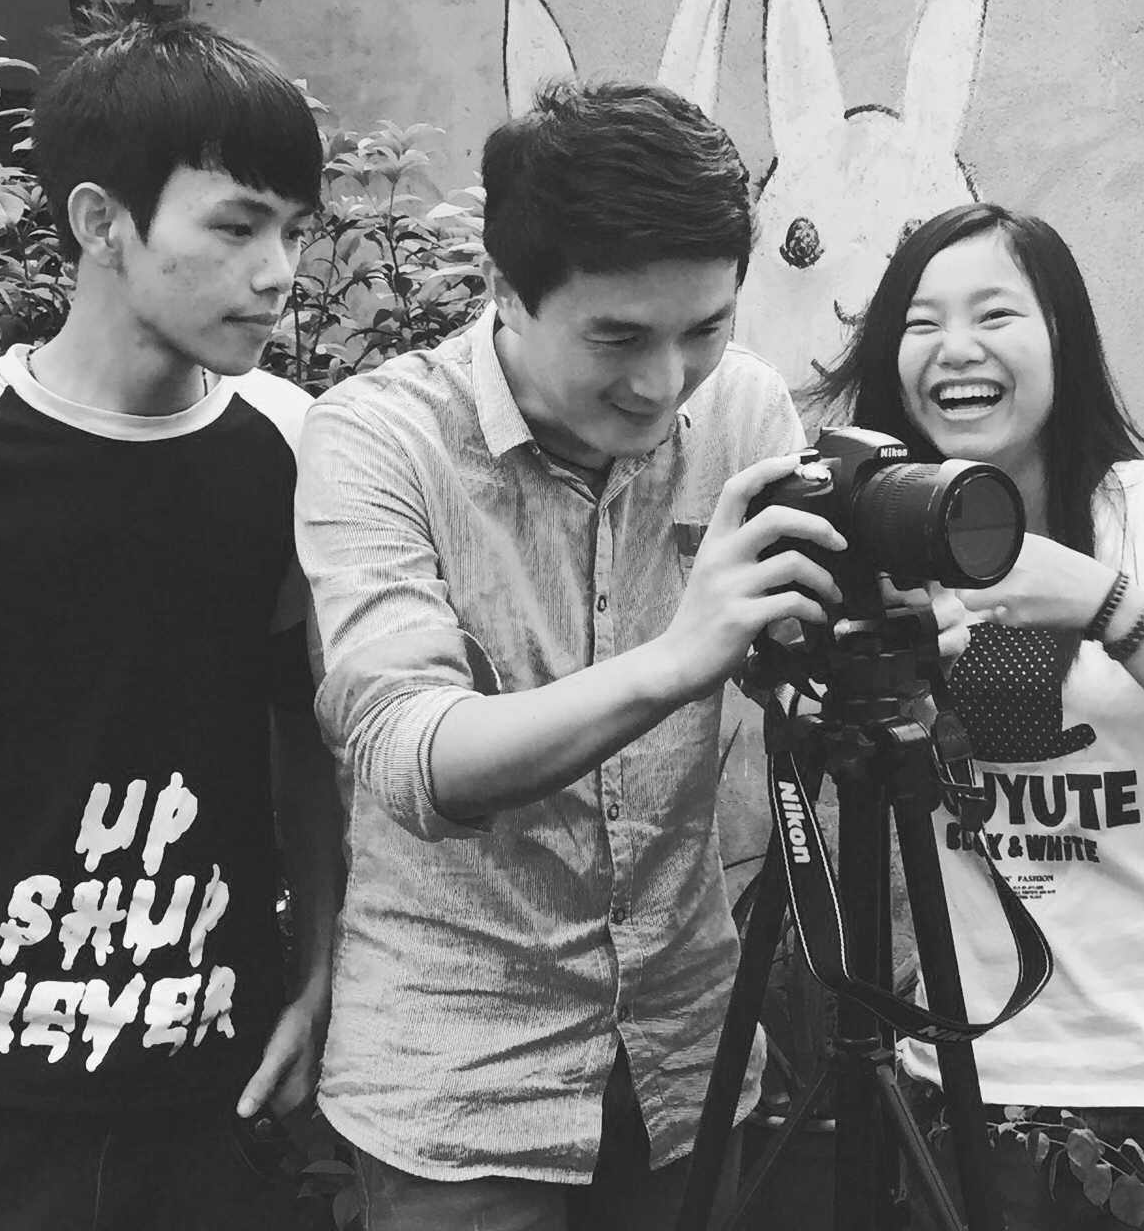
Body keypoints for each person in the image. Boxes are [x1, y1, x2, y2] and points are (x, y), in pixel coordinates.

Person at [295, 78, 965, 1231]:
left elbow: (788, 661)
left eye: (704, 328)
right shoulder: (380, 438)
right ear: (506, 289)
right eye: (616, 337)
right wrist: (678, 655)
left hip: (686, 1046)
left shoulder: (740, 409)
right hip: (460, 1075)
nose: (662, 382)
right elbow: (409, 755)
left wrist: (865, 624)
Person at [0, 17, 345, 1229]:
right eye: (237, 226)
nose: (278, 272)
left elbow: (304, 733)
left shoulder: (297, 444)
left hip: (226, 1110)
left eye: (296, 232)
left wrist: (318, 981)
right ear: (101, 221)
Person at [813, 201, 1144, 1229]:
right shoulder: (877, 544)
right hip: (965, 1082)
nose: (955, 348)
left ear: (1063, 336)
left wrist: (1108, 606)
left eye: (994, 314)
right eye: (920, 323)